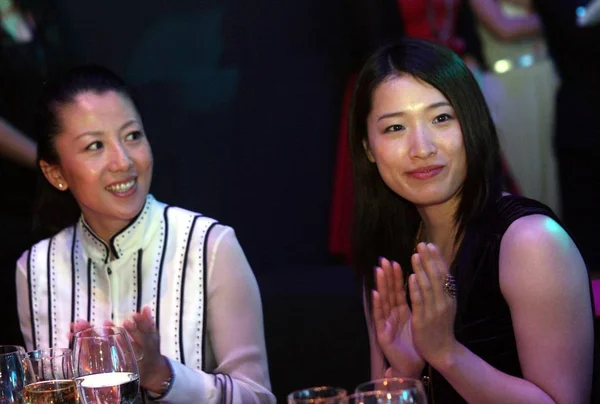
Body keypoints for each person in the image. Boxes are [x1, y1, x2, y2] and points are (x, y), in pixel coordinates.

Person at [349, 39, 595, 402]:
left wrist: (447, 354)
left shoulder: (530, 242)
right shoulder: (389, 254)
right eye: (395, 128)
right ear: (369, 148)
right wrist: (403, 376)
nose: (422, 148)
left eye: (441, 118)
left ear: (474, 123)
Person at [15, 65, 275, 404]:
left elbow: (258, 398)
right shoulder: (36, 269)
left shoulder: (209, 246)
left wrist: (161, 375)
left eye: (132, 136)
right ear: (56, 173)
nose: (123, 161)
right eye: (95, 146)